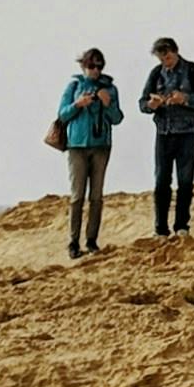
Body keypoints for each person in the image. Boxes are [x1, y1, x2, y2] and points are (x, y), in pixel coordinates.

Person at [140, 36, 194, 238]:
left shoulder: (193, 71)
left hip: (188, 133)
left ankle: (182, 226)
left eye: (168, 58)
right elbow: (142, 103)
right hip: (164, 132)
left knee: (185, 181)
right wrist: (151, 105)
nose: (166, 62)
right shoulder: (156, 74)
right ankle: (160, 229)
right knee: (161, 181)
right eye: (162, 59)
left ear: (175, 51)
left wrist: (185, 99)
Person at [57, 48, 122, 258]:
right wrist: (78, 104)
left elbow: (117, 118)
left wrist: (107, 103)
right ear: (83, 66)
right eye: (91, 66)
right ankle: (73, 242)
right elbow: (62, 114)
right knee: (77, 195)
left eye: (99, 66)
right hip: (77, 146)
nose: (95, 70)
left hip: (101, 145)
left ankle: (91, 240)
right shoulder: (74, 86)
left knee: (96, 195)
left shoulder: (110, 88)